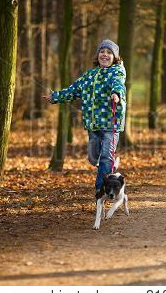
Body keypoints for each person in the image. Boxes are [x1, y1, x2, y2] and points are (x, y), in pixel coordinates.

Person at [43, 39, 126, 194]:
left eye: (109, 52)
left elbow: (118, 83)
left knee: (105, 158)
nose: (105, 55)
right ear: (98, 55)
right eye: (102, 51)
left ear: (115, 57)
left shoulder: (117, 71)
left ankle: (100, 190)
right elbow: (73, 90)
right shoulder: (89, 75)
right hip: (93, 123)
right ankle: (110, 167)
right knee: (93, 158)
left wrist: (116, 94)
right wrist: (55, 96)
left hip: (111, 122)